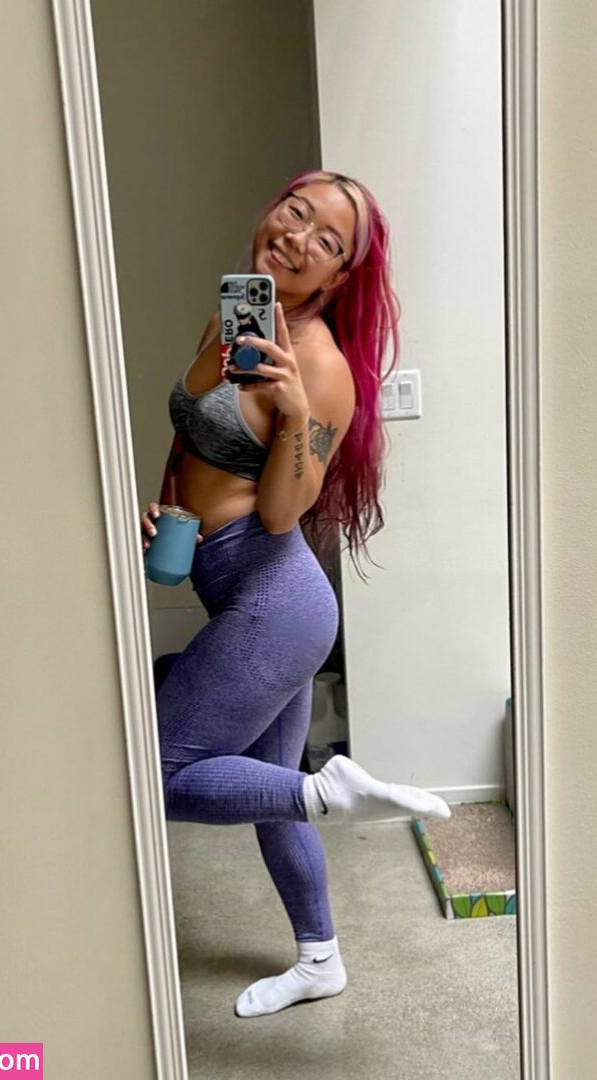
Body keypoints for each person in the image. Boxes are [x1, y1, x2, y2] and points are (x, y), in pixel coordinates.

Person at [140, 169, 450, 1018]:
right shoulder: (230, 320)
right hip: (232, 586)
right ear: (272, 211)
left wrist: (289, 409)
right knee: (263, 793)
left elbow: (282, 512)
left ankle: (328, 790)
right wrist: (164, 509)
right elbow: (190, 437)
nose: (297, 238)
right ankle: (320, 960)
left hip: (275, 601)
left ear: (340, 276)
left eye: (327, 241)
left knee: (153, 772)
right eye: (296, 213)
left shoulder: (319, 366)